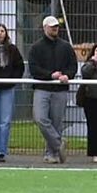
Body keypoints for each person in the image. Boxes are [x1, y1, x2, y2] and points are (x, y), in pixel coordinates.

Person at [28, 16, 75, 163]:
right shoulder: (36, 47)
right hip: (42, 88)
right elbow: (34, 69)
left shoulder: (66, 47)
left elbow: (72, 66)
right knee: (40, 118)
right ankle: (58, 143)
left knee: (56, 122)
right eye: (52, 26)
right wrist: (50, 75)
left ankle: (52, 154)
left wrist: (67, 75)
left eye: (56, 26)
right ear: (45, 27)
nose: (55, 28)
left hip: (60, 89)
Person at [0, 23, 25, 162]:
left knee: (5, 121)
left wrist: (12, 80)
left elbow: (19, 67)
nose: (0, 34)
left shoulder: (12, 50)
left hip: (7, 89)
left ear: (6, 33)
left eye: (3, 31)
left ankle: (2, 151)